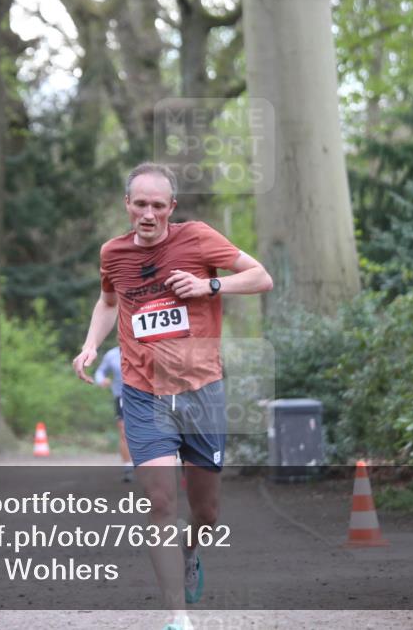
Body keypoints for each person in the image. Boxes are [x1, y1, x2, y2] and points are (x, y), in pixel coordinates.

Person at [72, 163, 273, 630]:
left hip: (201, 390)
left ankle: (191, 553)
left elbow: (261, 277)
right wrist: (89, 345)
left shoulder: (199, 238)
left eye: (157, 206)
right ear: (127, 205)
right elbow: (108, 302)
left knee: (206, 510)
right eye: (139, 204)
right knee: (161, 504)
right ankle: (177, 615)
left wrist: (210, 285)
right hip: (144, 393)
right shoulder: (113, 253)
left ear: (171, 209)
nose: (147, 214)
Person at [94, 345, 133, 482]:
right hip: (122, 396)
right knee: (124, 430)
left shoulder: (147, 348)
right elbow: (100, 372)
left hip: (149, 396)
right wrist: (101, 380)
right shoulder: (112, 354)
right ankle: (128, 467)